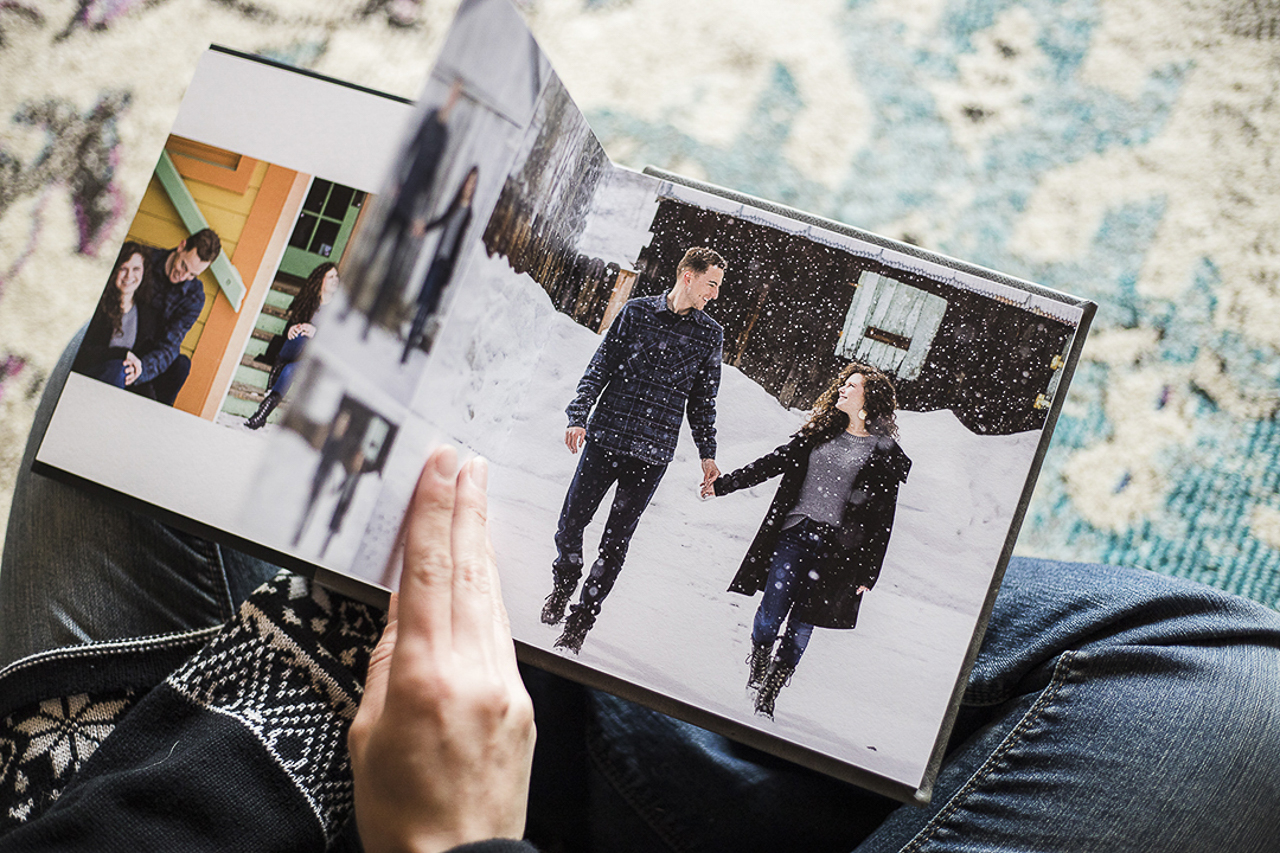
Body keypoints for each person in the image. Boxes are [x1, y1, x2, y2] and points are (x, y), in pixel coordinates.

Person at [3, 332, 1280, 852]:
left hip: (114, 777)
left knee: (107, 398)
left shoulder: (872, 446)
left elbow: (813, 469)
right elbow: (774, 454)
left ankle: (646, 706)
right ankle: (663, 726)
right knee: (1230, 699)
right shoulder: (792, 413)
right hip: (414, 808)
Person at [543, 246, 727, 653]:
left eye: (717, 287)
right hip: (606, 437)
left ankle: (581, 621)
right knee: (571, 523)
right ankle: (565, 579)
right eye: (711, 284)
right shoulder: (637, 312)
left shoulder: (709, 334)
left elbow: (703, 399)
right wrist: (578, 414)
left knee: (616, 542)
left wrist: (707, 452)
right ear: (688, 276)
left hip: (652, 453)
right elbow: (603, 363)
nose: (714, 294)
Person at [704, 362, 910, 717]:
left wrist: (868, 573)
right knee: (771, 611)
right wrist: (724, 484)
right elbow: (771, 464)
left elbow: (882, 519)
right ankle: (761, 655)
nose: (843, 390)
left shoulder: (883, 453)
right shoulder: (819, 433)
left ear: (869, 398)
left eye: (852, 386)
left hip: (838, 551)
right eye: (843, 385)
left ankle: (771, 690)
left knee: (803, 621)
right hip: (795, 535)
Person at [363, 80, 463, 338]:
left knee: (393, 266)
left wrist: (421, 214)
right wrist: (397, 180)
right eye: (452, 93)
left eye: (457, 96)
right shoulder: (429, 119)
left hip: (413, 205)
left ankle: (369, 322)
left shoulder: (446, 135)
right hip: (400, 195)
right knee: (375, 251)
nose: (452, 99)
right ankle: (350, 306)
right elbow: (409, 150)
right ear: (447, 94)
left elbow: (432, 179)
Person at [130, 227, 222, 405]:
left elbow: (170, 345)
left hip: (152, 357)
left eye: (192, 275)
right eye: (183, 266)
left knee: (181, 365)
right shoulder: (144, 261)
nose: (183, 276)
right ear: (181, 247)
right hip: (126, 339)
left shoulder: (195, 296)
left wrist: (141, 370)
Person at [245, 261, 340, 429]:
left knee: (289, 370)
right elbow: (291, 328)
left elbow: (337, 344)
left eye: (337, 276)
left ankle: (261, 414)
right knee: (297, 335)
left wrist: (315, 333)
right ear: (320, 281)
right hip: (295, 349)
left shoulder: (338, 310)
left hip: (316, 360)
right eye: (331, 276)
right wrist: (291, 331)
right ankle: (279, 367)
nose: (336, 279)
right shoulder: (307, 302)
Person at [400, 165, 479, 363]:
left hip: (446, 264)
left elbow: (460, 243)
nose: (470, 186)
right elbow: (441, 221)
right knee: (423, 302)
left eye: (474, 183)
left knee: (429, 304)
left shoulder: (469, 212)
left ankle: (413, 340)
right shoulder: (455, 206)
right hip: (437, 259)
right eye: (469, 181)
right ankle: (409, 345)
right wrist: (424, 228)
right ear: (465, 183)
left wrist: (452, 271)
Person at [70, 241, 153, 387]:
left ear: (143, 271)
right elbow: (80, 354)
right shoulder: (99, 304)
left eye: (136, 269)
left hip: (122, 386)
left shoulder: (145, 313)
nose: (129, 275)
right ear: (114, 270)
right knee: (118, 369)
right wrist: (120, 354)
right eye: (123, 268)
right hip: (87, 380)